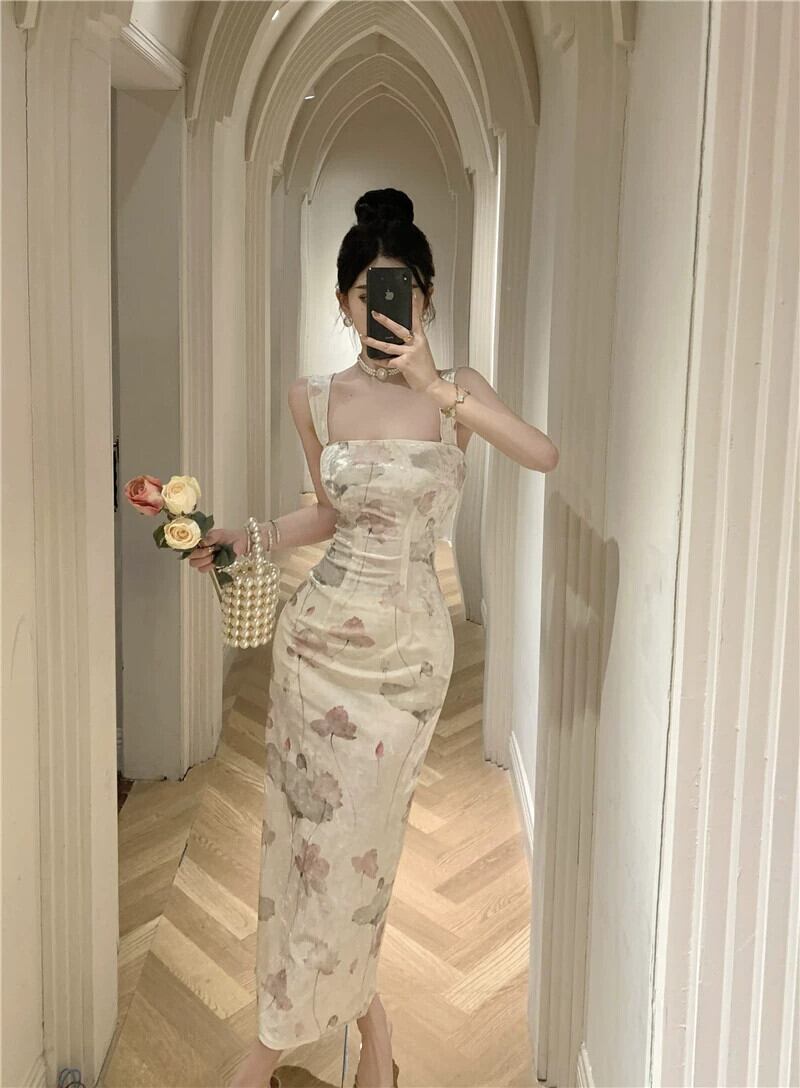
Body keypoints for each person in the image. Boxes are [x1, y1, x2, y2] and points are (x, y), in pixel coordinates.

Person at [190, 188, 559, 1088]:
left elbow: (543, 454)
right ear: (342, 301)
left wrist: (437, 389)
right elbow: (326, 515)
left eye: (403, 292)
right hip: (314, 649)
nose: (382, 310)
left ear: (427, 298)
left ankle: (281, 1047)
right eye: (366, 294)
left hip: (406, 663)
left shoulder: (458, 391)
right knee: (310, 853)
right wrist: (249, 537)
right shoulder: (313, 398)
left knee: (362, 853)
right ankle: (369, 1044)